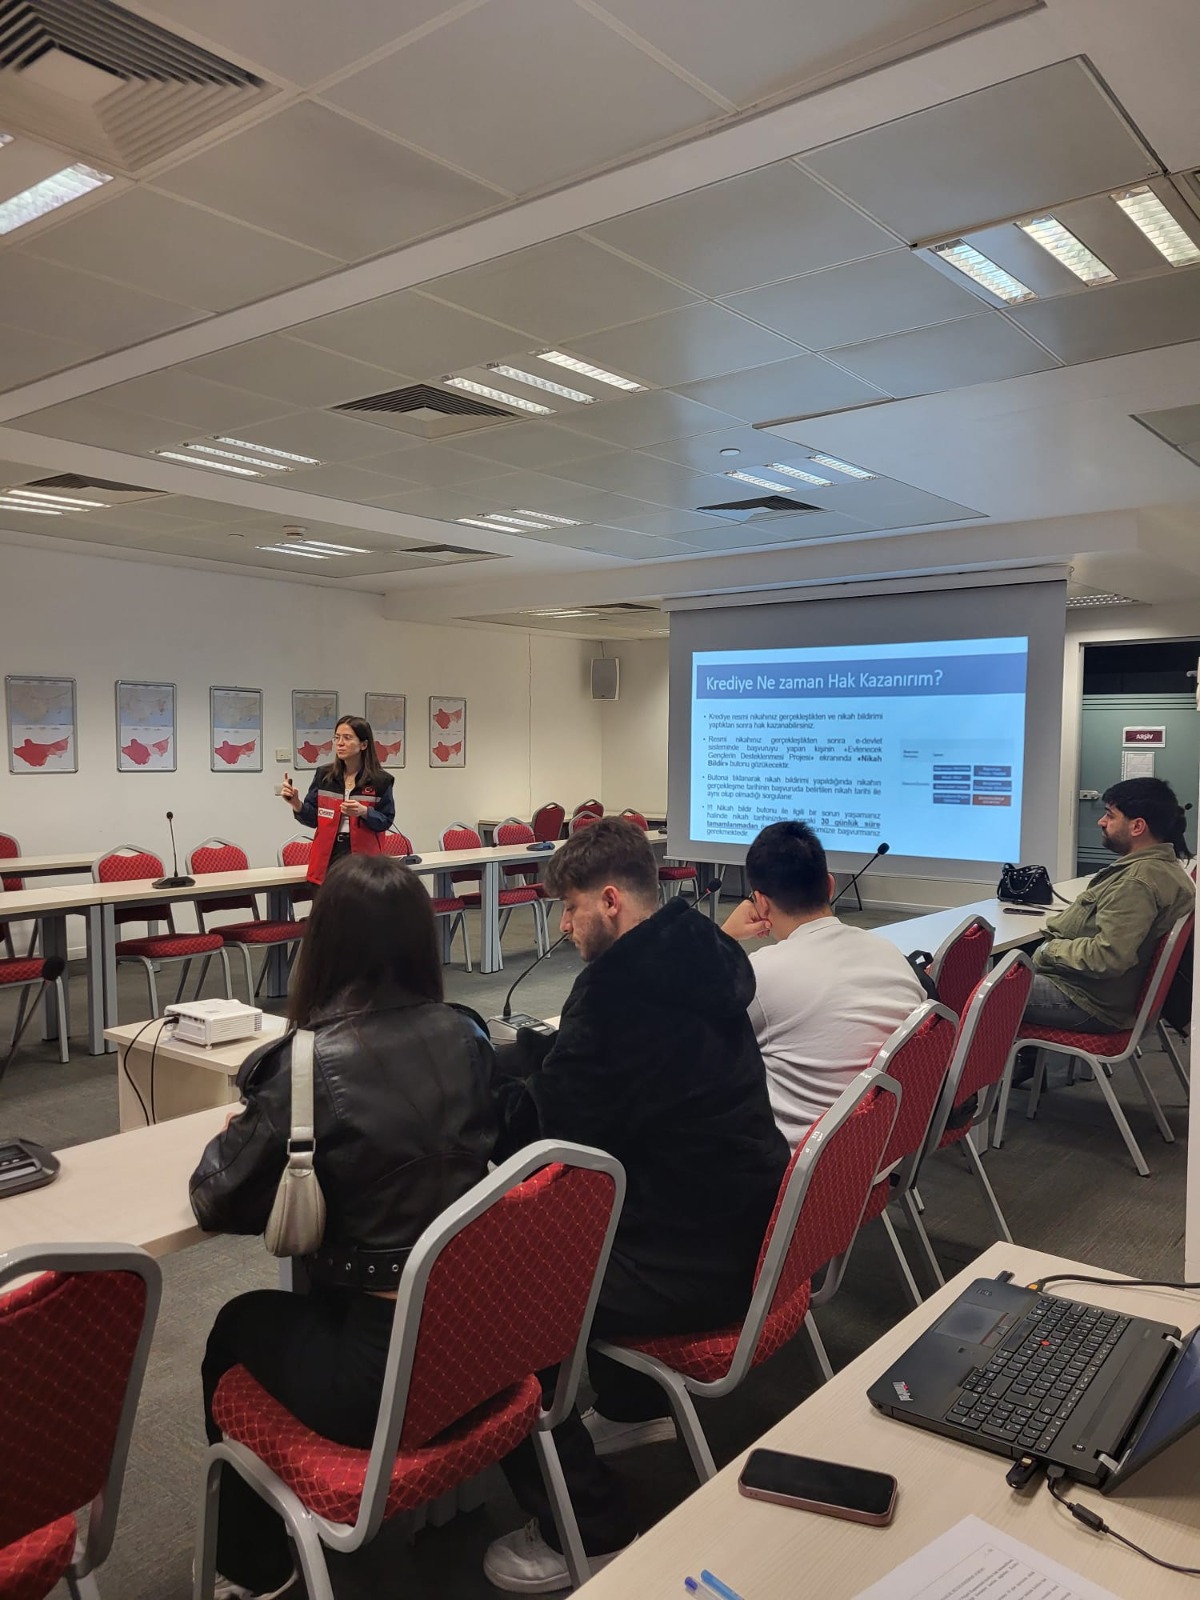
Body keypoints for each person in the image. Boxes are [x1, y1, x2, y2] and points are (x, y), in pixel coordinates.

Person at [483, 817, 788, 1593]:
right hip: (750, 1231)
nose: (564, 925)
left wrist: (482, 1093)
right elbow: (627, 1081)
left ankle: (588, 1528)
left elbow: (553, 1135)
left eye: (571, 907)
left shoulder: (615, 992)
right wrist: (551, 1056)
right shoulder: (701, 953)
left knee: (503, 1300)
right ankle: (628, 1401)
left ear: (612, 900)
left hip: (690, 1260)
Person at [190, 855, 496, 1600]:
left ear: (322, 943)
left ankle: (256, 1569)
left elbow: (217, 1203)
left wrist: (241, 1133)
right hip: (480, 1338)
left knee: (235, 1325)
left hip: (377, 1379)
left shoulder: (301, 1065)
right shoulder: (470, 1035)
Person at [720, 820, 926, 1147]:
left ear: (761, 903)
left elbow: (690, 1035)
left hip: (796, 1166)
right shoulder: (893, 956)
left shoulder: (761, 975)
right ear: (829, 886)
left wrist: (723, 937)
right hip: (879, 1149)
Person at [1022, 777, 1194, 1033]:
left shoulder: (1136, 883)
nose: (1101, 822)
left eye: (1110, 815)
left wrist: (1050, 949)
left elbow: (1108, 957)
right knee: (1001, 975)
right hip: (1105, 995)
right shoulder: (1161, 870)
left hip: (1088, 1000)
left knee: (976, 991)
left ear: (1137, 826)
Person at [279, 714, 395, 882]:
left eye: (347, 738)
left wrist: (364, 812)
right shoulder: (324, 776)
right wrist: (296, 803)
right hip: (328, 854)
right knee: (326, 898)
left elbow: (386, 820)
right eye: (337, 738)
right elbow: (313, 819)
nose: (340, 743)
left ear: (363, 744)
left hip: (364, 858)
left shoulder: (380, 781)